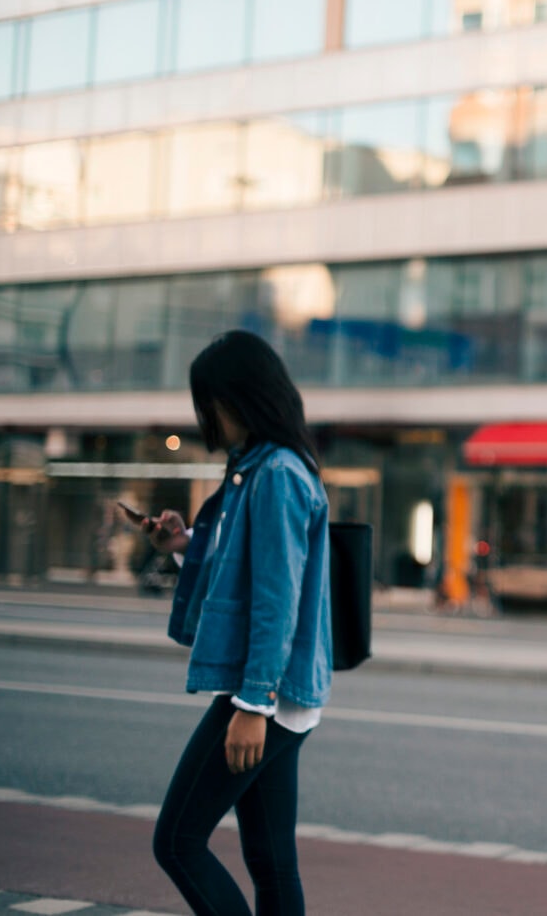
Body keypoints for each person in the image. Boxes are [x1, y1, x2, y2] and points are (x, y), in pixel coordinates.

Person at [145, 330, 331, 916]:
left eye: (209, 404)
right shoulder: (262, 467)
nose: (205, 418)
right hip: (281, 691)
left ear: (238, 399)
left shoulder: (275, 473)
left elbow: (277, 598)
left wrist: (252, 705)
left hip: (266, 693)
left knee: (177, 842)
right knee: (272, 863)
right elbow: (245, 564)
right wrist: (182, 543)